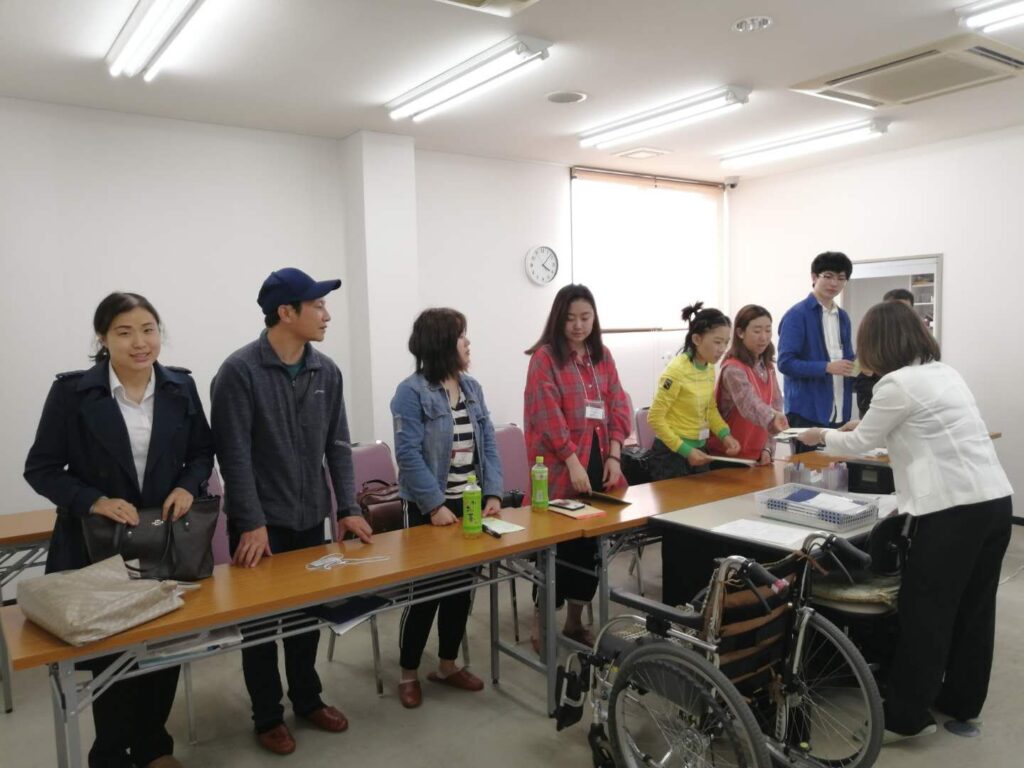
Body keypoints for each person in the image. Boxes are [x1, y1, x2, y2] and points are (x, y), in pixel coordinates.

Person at [796, 301, 1013, 744]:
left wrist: (818, 435)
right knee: (974, 609)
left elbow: (860, 443)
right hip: (993, 502)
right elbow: (915, 431)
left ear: (878, 344)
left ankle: (906, 717)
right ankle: (961, 701)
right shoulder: (943, 372)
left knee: (924, 611)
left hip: (953, 512)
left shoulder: (896, 384)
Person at [24, 292, 214, 768]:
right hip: (98, 542)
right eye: (124, 332)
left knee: (162, 644)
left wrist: (188, 485)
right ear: (103, 339)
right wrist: (94, 500)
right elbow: (41, 468)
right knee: (110, 653)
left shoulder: (180, 387)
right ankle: (108, 754)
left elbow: (201, 452)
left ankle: (154, 747)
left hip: (163, 538)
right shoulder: (73, 393)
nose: (140, 342)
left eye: (148, 329)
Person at [210, 268, 373, 757]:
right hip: (259, 526)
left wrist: (347, 507)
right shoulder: (239, 372)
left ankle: (308, 700)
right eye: (317, 305)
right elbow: (233, 456)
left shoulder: (327, 371)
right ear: (286, 312)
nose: (326, 315)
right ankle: (267, 716)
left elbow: (338, 446)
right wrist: (252, 522)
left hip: (310, 519)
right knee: (261, 627)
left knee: (305, 619)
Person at [390, 308, 503, 709]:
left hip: (468, 502)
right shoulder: (411, 392)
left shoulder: (472, 387)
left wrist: (493, 493)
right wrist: (435, 505)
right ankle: (408, 673)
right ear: (442, 343)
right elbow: (407, 454)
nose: (468, 343)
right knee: (426, 593)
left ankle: (448, 664)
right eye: (461, 336)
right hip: (427, 505)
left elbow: (488, 443)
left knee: (460, 590)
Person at [524, 284, 632, 647]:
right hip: (558, 467)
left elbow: (618, 403)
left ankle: (574, 622)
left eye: (585, 317)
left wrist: (614, 454)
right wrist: (572, 461)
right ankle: (541, 624)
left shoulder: (602, 356)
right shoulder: (545, 359)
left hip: (598, 459)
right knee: (556, 549)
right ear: (558, 319)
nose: (578, 325)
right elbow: (547, 415)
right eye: (570, 318)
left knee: (590, 548)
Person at [647, 302, 740, 480]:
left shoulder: (708, 367)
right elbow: (655, 417)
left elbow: (709, 409)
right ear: (697, 340)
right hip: (671, 454)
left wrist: (725, 435)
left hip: (698, 449)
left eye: (726, 343)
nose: (722, 349)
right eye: (717, 342)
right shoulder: (676, 371)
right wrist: (685, 450)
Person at [778, 251, 855, 453]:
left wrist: (860, 367)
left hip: (840, 409)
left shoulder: (843, 317)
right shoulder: (797, 315)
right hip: (807, 411)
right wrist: (826, 367)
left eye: (841, 278)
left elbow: (847, 359)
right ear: (814, 277)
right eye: (828, 276)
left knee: (837, 467)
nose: (834, 283)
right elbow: (785, 363)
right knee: (808, 467)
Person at [707, 305, 787, 465]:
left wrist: (768, 447)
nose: (764, 337)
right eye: (757, 331)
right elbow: (749, 405)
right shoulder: (733, 369)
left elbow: (776, 405)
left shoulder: (768, 367)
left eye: (768, 330)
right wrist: (774, 419)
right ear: (740, 333)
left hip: (756, 456)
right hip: (727, 457)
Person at [854, 288, 914, 416]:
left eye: (905, 309)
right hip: (874, 403)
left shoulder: (917, 340)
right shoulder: (870, 338)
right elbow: (859, 376)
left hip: (909, 404)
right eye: (894, 309)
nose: (900, 315)